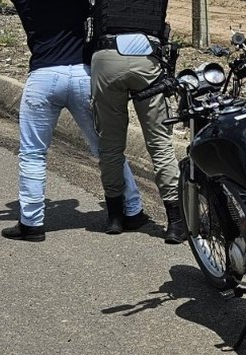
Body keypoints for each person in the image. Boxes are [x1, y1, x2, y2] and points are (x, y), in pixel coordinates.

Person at [2, 0, 146, 243]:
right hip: (82, 73)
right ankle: (132, 208)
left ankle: (31, 222)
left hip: (43, 75)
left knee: (33, 153)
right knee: (106, 148)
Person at [87, 0, 187, 243]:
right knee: (160, 144)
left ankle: (114, 217)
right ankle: (175, 222)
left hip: (107, 57)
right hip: (147, 57)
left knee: (110, 145)